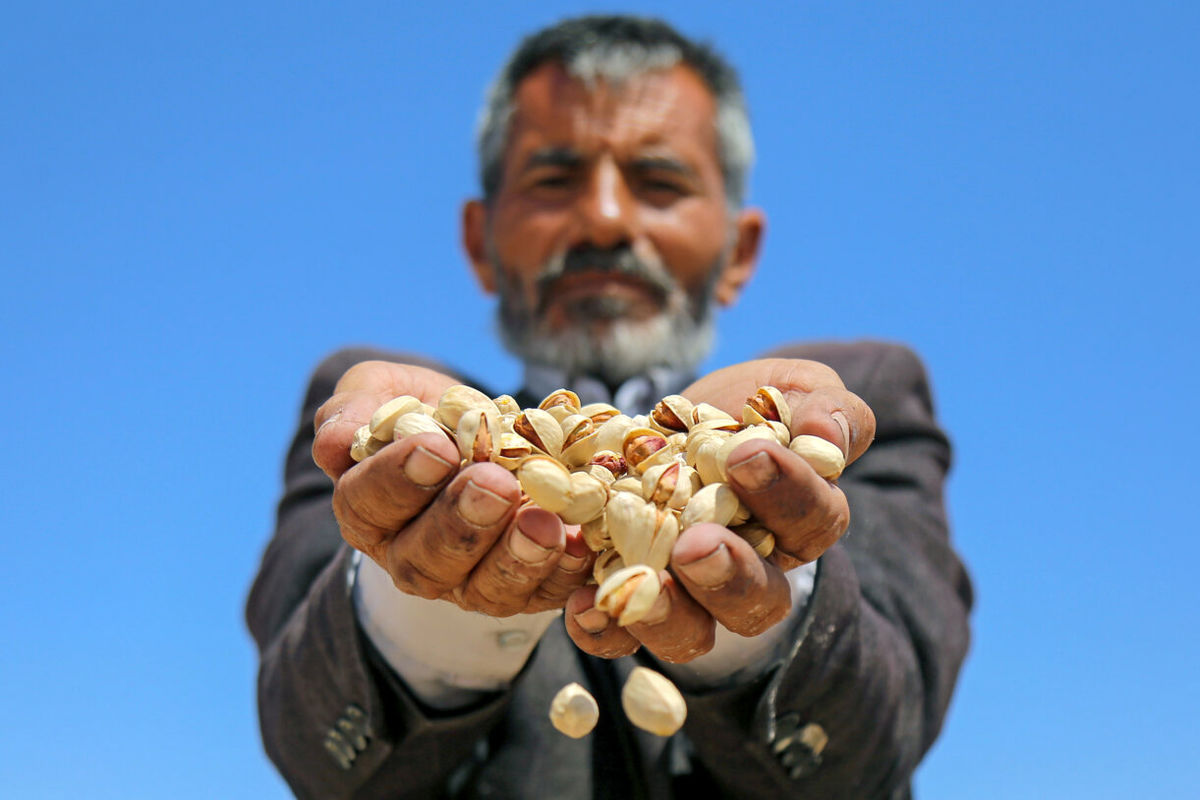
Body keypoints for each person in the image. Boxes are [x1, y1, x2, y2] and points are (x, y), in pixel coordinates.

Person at [246, 15, 972, 800]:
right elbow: (310, 742)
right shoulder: (378, 416)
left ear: (740, 252)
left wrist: (754, 578)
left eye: (659, 182)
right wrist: (431, 574)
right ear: (480, 241)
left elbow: (882, 732)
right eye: (553, 180)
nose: (605, 220)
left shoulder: (857, 395)